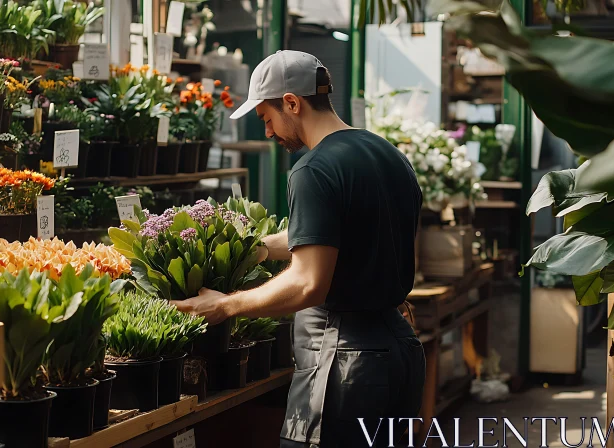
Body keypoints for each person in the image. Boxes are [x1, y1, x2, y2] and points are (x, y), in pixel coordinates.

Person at [171, 50, 425, 447]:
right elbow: (346, 236)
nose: (269, 132)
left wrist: (225, 305)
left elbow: (309, 284)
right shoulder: (389, 156)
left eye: (267, 119)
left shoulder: (312, 170)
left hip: (345, 364)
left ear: (292, 102)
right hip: (400, 352)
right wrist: (253, 249)